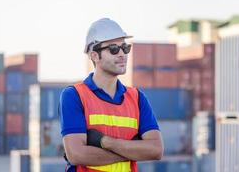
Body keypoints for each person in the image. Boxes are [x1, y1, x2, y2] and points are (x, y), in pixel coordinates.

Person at [59, 18, 164, 172]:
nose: (122, 54)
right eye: (114, 49)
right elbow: (76, 154)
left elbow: (156, 150)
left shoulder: (137, 98)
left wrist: (106, 142)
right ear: (94, 55)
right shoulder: (74, 96)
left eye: (125, 48)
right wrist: (133, 150)